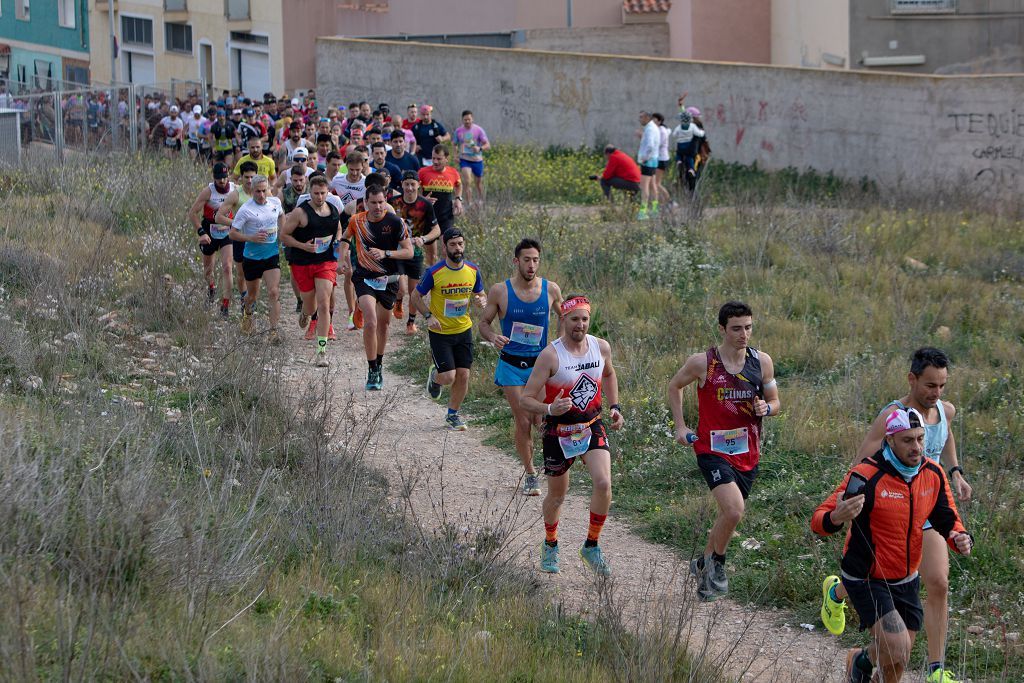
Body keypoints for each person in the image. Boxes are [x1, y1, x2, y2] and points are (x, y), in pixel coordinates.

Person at [821, 348, 972, 683]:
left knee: (939, 583)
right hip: (892, 506)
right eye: (930, 385)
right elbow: (861, 464)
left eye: (942, 385)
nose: (936, 393)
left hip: (927, 502)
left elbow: (945, 435)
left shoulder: (944, 410)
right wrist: (851, 505)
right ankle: (838, 592)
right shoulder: (892, 415)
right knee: (881, 578)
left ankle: (935, 669)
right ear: (912, 379)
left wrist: (956, 472)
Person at [666, 301, 780, 600]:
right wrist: (681, 427)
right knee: (734, 510)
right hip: (711, 449)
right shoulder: (703, 362)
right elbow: (674, 386)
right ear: (722, 329)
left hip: (748, 452)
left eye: (748, 328)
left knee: (728, 515)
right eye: (736, 329)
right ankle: (717, 563)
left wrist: (767, 408)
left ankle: (703, 565)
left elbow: (775, 401)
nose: (744, 334)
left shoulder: (762, 361)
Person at [519, 295, 624, 576]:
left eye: (585, 319)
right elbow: (526, 399)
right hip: (558, 431)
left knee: (603, 483)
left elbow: (609, 374)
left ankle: (591, 545)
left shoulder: (601, 347)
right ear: (563, 319)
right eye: (575, 319)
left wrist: (615, 407)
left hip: (591, 425)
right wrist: (549, 408)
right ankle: (550, 543)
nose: (580, 324)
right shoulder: (550, 355)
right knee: (557, 496)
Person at [479, 239, 564, 496]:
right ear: (516, 261)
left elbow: (564, 315)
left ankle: (553, 464)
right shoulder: (500, 291)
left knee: (542, 420)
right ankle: (530, 474)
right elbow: (484, 323)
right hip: (511, 366)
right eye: (526, 260)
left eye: (536, 260)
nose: (531, 265)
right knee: (524, 419)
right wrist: (493, 337)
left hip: (540, 366)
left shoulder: (551, 289)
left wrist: (560, 345)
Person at [337, 185, 413, 391]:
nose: (378, 207)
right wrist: (341, 259)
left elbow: (408, 252)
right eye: (373, 203)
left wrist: (386, 253)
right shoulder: (357, 220)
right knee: (371, 322)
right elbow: (345, 238)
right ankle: (372, 369)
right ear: (365, 203)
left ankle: (379, 363)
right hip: (365, 278)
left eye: (381, 202)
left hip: (389, 279)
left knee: (383, 325)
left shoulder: (396, 222)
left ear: (385, 201)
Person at [411, 228, 485, 431]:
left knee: (463, 375)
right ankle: (435, 377)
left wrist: (482, 301)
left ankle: (453, 414)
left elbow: (481, 295)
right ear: (444, 248)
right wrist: (428, 316)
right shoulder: (434, 272)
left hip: (464, 330)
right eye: (452, 245)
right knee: (448, 376)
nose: (457, 248)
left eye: (460, 244)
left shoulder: (473, 270)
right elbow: (415, 297)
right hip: (440, 333)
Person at [281, 174, 342, 367]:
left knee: (323, 304)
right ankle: (305, 313)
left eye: (323, 193)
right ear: (310, 193)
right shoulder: (300, 212)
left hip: (326, 262)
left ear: (328, 192)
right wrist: (302, 246)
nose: (320, 197)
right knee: (311, 306)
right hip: (303, 262)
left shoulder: (333, 210)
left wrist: (337, 241)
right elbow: (284, 235)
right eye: (316, 193)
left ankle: (321, 351)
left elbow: (338, 228)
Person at [228, 175, 284, 341]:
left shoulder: (275, 202)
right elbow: (232, 234)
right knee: (252, 296)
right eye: (258, 191)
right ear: (252, 190)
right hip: (252, 257)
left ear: (269, 189)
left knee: (274, 292)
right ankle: (247, 313)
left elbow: (281, 215)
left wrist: (282, 232)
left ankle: (273, 331)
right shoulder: (245, 209)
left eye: (264, 190)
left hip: (271, 254)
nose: (261, 195)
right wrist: (251, 238)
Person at [390, 171, 440, 334]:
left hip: (416, 252)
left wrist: (424, 239)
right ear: (402, 185)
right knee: (401, 288)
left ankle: (410, 323)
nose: (410, 188)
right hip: (397, 250)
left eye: (413, 184)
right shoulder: (393, 202)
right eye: (407, 184)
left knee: (414, 291)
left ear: (418, 185)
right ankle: (398, 299)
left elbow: (436, 230)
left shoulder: (425, 205)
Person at [187, 163, 236, 316]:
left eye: (224, 177)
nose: (222, 181)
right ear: (213, 177)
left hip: (227, 231)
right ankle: (211, 288)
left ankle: (225, 305)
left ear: (228, 175)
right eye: (219, 178)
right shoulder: (208, 191)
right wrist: (201, 232)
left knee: (227, 266)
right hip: (209, 230)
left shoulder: (234, 189)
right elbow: (192, 213)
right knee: (208, 269)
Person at [215, 161, 259, 309]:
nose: (249, 180)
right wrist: (236, 223)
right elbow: (218, 217)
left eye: (252, 177)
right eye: (246, 177)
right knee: (241, 273)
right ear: (241, 177)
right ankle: (244, 297)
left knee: (255, 272)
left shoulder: (262, 191)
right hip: (240, 238)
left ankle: (252, 300)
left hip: (257, 238)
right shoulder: (236, 195)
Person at [418, 144, 463, 233]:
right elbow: (412, 189)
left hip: (446, 217)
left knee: (447, 241)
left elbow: (459, 185)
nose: (435, 162)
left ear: (446, 158)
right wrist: (422, 199)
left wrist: (458, 199)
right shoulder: (422, 172)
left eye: (439, 159)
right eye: (433, 158)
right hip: (428, 216)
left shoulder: (453, 172)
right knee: (431, 241)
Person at [454, 110, 491, 205]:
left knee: (478, 183)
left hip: (477, 160)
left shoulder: (479, 130)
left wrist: (480, 148)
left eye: (469, 119)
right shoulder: (458, 131)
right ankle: (469, 203)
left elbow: (487, 145)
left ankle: (481, 201)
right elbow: (455, 144)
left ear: (472, 119)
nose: (467, 121)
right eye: (465, 120)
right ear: (462, 120)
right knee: (467, 181)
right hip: (465, 159)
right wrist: (455, 155)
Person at [672, 109, 706, 193]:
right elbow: (701, 136)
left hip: (681, 147)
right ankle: (691, 170)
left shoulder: (679, 127)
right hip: (692, 153)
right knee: (690, 164)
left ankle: (679, 160)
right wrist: (702, 132)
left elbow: (674, 134)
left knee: (679, 156)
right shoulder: (694, 127)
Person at [637, 111, 661, 220]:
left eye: (641, 117)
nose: (639, 119)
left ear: (647, 117)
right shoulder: (653, 127)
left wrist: (645, 158)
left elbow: (650, 145)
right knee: (652, 185)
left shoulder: (650, 129)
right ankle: (655, 210)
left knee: (644, 186)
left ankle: (643, 212)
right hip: (654, 159)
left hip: (648, 161)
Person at [651, 112, 672, 207]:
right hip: (659, 158)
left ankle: (669, 202)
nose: (652, 121)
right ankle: (663, 203)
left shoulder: (661, 131)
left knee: (656, 183)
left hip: (661, 159)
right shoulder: (658, 130)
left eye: (654, 120)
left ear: (659, 121)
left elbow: (657, 144)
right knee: (654, 183)